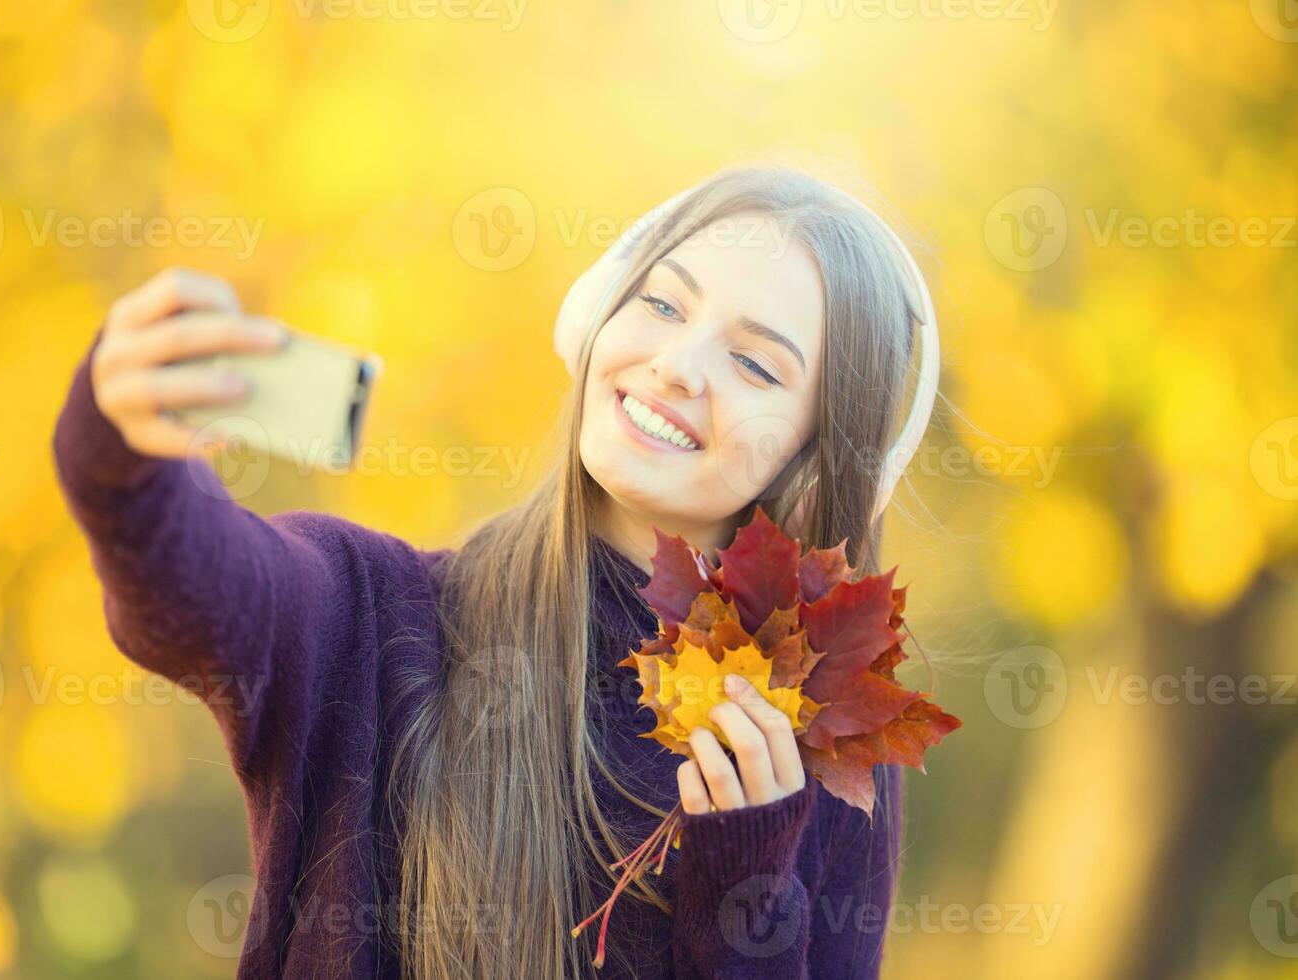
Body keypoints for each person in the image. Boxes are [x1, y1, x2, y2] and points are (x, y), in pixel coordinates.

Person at [51, 164, 939, 979]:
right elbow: (194, 597)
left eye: (754, 363)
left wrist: (744, 902)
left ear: (816, 458)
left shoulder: (809, 747)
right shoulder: (377, 618)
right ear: (595, 317)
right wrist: (122, 453)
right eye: (664, 306)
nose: (677, 365)